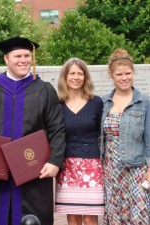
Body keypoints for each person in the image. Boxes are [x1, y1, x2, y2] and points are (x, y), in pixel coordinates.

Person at [0, 36, 66, 225]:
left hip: (34, 169)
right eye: (18, 56)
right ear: (6, 59)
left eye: (27, 55)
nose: (24, 60)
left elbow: (57, 128)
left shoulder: (44, 89)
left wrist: (55, 161)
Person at [101, 48, 150, 224]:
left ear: (133, 73)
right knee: (115, 213)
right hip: (110, 168)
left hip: (136, 167)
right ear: (111, 76)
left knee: (139, 214)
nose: (124, 78)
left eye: (128, 73)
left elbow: (149, 138)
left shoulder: (144, 102)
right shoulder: (104, 102)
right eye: (119, 74)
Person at [54, 58, 104, 225]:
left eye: (80, 73)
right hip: (67, 165)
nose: (76, 77)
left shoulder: (96, 102)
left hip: (91, 166)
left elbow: (100, 132)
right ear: (65, 77)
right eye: (72, 73)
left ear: (85, 77)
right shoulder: (57, 104)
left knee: (90, 217)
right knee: (73, 216)